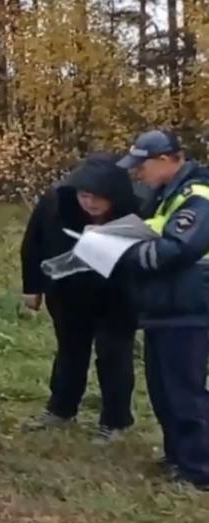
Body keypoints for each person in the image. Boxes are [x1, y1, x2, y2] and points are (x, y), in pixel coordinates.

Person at [20, 152, 140, 442]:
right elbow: (32, 243)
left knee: (114, 355)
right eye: (85, 195)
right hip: (67, 292)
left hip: (116, 296)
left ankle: (115, 421)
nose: (91, 203)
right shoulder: (55, 202)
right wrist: (32, 287)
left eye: (100, 197)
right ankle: (61, 409)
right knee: (70, 351)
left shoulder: (137, 208)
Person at [114, 129, 209, 489]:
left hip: (190, 307)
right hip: (163, 307)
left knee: (186, 391)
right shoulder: (165, 195)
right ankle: (177, 457)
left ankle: (199, 469)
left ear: (170, 159)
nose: (139, 173)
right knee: (163, 389)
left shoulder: (198, 196)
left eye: (143, 166)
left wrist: (125, 253)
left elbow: (177, 248)